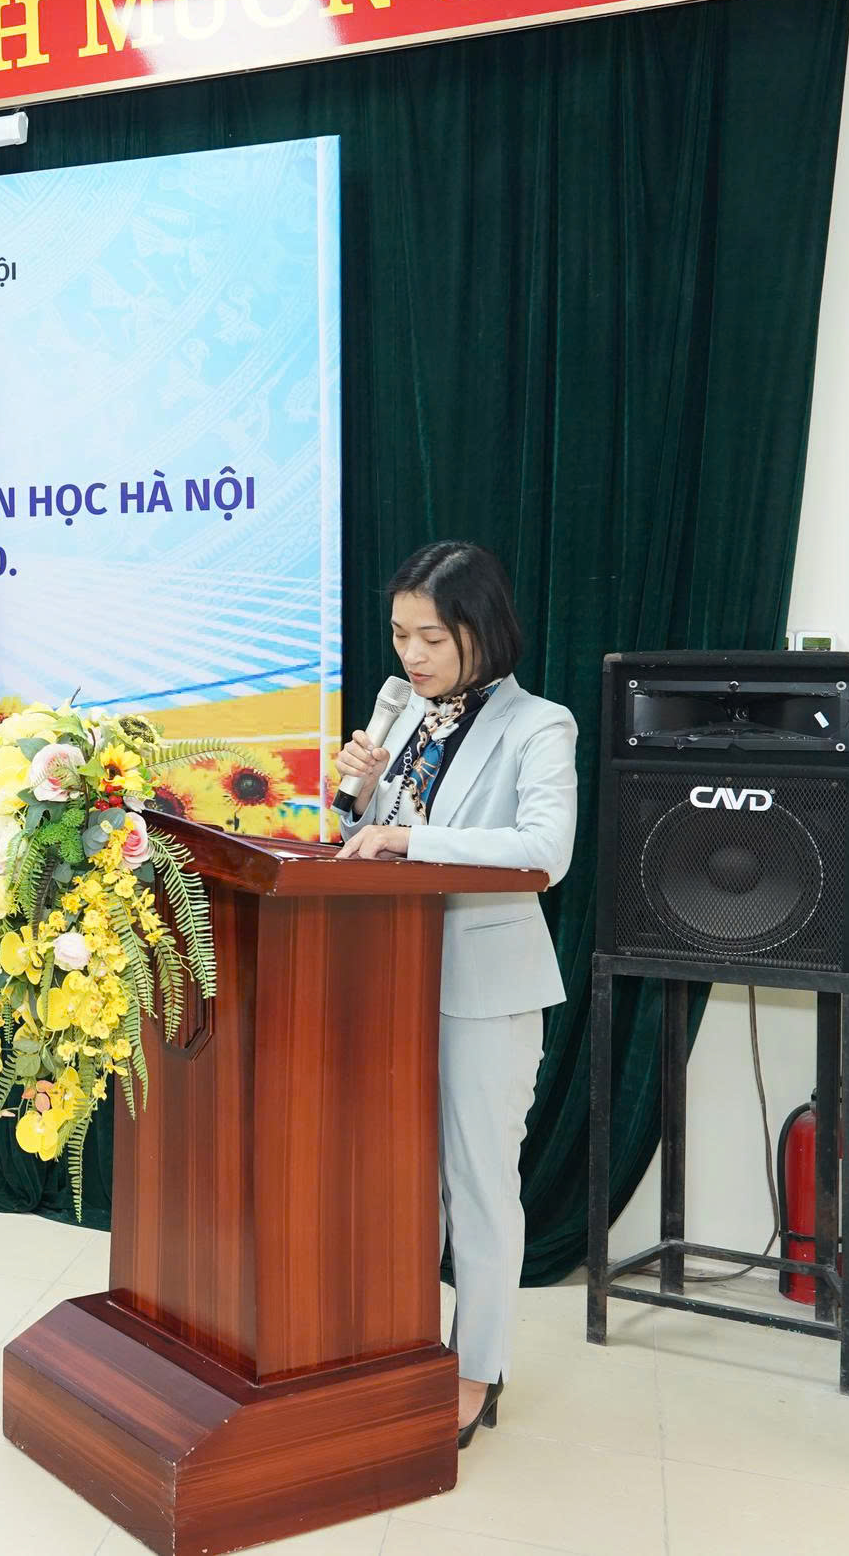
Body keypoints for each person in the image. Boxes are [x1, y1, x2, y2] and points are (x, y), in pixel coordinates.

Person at [333, 541, 576, 1452]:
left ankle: (478, 1368)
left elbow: (545, 850)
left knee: (477, 1181)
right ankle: (400, 1344)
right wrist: (360, 800)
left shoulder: (538, 725)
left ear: (482, 627)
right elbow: (369, 834)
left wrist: (410, 838)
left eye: (431, 636)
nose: (412, 655)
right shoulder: (401, 712)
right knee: (401, 1177)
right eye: (400, 635)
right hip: (392, 977)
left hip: (487, 986)